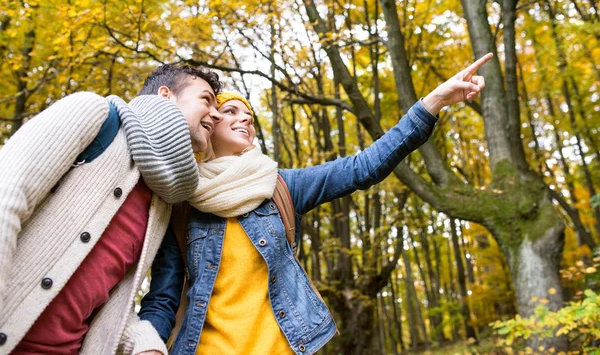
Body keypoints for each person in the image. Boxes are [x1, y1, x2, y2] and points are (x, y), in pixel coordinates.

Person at [138, 54, 493, 354]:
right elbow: (162, 299)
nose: (244, 118)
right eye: (228, 111)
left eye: (248, 115)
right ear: (210, 123)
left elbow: (364, 166)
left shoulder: (278, 186)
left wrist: (434, 102)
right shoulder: (182, 201)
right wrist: (146, 345)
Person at [0, 64, 224, 355]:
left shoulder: (163, 201)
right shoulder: (96, 114)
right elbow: (7, 195)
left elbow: (108, 301)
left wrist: (145, 344)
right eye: (206, 100)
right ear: (165, 96)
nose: (217, 114)